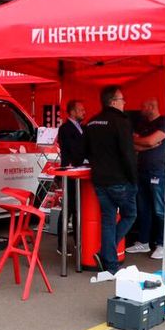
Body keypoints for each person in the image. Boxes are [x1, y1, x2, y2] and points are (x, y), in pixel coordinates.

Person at [84, 85, 137, 277]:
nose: (124, 103)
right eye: (122, 99)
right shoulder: (121, 122)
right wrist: (134, 179)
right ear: (113, 102)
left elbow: (86, 151)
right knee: (130, 215)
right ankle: (106, 255)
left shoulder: (91, 123)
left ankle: (110, 264)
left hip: (99, 180)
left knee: (108, 221)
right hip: (119, 180)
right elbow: (128, 154)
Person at [127, 98, 165, 260]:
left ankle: (162, 244)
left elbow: (151, 141)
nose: (141, 109)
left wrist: (145, 142)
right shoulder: (142, 124)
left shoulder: (164, 122)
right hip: (142, 170)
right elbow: (133, 144)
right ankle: (143, 241)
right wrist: (145, 144)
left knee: (159, 209)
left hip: (158, 171)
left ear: (151, 107)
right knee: (143, 208)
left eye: (143, 106)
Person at [55, 99, 86, 254]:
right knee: (68, 208)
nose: (84, 112)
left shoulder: (83, 128)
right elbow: (72, 149)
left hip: (81, 172)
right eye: (81, 110)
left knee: (78, 209)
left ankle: (77, 241)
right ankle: (61, 244)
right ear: (72, 112)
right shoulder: (65, 129)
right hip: (70, 172)